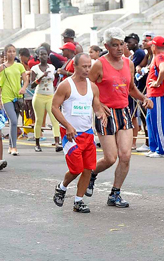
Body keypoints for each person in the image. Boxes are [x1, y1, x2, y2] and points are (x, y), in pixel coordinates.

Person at [86, 28, 153, 208]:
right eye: (114, 45)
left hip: (123, 111)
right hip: (105, 114)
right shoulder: (99, 64)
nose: (119, 48)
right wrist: (98, 105)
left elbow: (130, 87)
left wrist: (144, 98)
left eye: (121, 44)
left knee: (125, 156)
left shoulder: (128, 63)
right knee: (110, 158)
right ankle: (92, 174)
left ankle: (115, 194)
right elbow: (88, 86)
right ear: (107, 46)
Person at [52, 53, 106, 213]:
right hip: (71, 135)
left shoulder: (93, 87)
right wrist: (67, 126)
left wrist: (101, 114)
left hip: (88, 134)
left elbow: (96, 106)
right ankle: (61, 187)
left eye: (89, 66)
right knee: (76, 169)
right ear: (74, 66)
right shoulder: (65, 85)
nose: (87, 69)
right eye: (84, 66)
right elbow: (54, 107)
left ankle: (78, 200)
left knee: (88, 168)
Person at [144, 36, 164, 158]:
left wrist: (157, 83)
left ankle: (162, 149)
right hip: (153, 94)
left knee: (158, 122)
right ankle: (155, 147)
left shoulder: (160, 57)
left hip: (157, 93)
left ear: (154, 46)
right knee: (151, 121)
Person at [0, 44, 29, 156]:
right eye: (9, 51)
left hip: (18, 96)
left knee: (13, 122)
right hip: (6, 97)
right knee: (14, 121)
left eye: (13, 51)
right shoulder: (2, 67)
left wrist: (23, 88)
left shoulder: (19, 66)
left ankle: (11, 146)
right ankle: (14, 147)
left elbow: (26, 80)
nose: (11, 53)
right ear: (5, 53)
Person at [30, 47, 61, 152]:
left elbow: (55, 78)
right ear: (38, 56)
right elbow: (32, 85)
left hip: (50, 96)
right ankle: (37, 143)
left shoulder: (52, 67)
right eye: (41, 54)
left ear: (48, 56)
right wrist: (41, 77)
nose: (43, 56)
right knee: (39, 120)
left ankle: (57, 142)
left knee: (54, 119)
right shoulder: (35, 69)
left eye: (45, 54)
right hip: (39, 96)